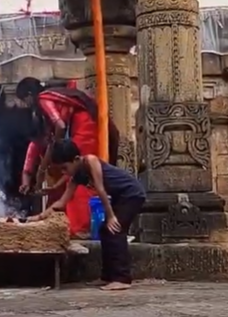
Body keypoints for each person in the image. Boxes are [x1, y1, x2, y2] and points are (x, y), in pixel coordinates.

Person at [30, 138, 145, 291]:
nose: (65, 173)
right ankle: (108, 276)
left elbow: (101, 189)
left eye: (65, 168)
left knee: (115, 230)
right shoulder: (77, 175)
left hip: (132, 193)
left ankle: (122, 278)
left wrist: (110, 216)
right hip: (119, 196)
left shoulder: (91, 161)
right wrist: (38, 217)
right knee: (104, 231)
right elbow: (62, 202)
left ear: (76, 159)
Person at [15, 77, 120, 238]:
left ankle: (78, 229)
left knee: (82, 183)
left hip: (85, 127)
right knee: (63, 194)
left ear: (29, 94)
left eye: (24, 100)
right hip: (64, 175)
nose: (25, 105)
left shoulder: (44, 99)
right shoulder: (39, 138)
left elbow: (61, 126)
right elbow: (29, 167)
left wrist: (53, 150)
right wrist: (31, 182)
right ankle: (60, 227)